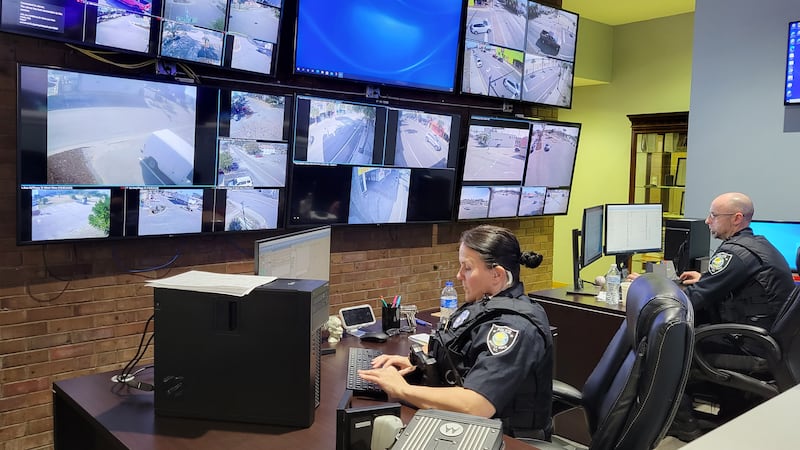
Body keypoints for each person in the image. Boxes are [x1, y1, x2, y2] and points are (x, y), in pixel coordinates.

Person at [357, 225, 554, 439]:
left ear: (497, 274)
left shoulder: (513, 327)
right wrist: (415, 362)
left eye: (467, 268)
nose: (459, 275)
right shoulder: (485, 305)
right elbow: (461, 350)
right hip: (475, 428)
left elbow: (476, 406)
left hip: (505, 439)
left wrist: (401, 389)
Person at [653, 192, 795, 441]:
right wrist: (706, 279)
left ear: (737, 218)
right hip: (771, 342)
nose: (708, 221)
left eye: (713, 216)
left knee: (671, 347)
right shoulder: (758, 245)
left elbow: (694, 299)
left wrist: (654, 288)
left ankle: (684, 427)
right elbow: (728, 284)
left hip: (751, 346)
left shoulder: (735, 254)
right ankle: (730, 411)